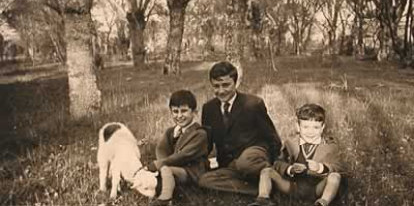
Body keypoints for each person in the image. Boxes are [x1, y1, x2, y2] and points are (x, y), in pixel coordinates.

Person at [199, 61, 282, 195]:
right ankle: (259, 188)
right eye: (216, 86)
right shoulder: (209, 108)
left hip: (254, 157)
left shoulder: (253, 104)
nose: (221, 90)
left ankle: (270, 175)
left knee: (245, 162)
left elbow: (272, 137)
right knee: (205, 180)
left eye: (226, 85)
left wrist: (276, 162)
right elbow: (206, 143)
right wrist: (199, 161)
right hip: (230, 164)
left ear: (235, 83)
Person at [248, 104, 348, 206]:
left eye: (316, 127)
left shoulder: (329, 147)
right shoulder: (291, 144)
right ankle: (263, 200)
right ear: (298, 126)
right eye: (305, 127)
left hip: (316, 188)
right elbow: (278, 163)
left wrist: (320, 168)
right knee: (266, 171)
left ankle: (323, 202)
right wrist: (290, 169)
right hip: (291, 186)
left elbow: (339, 168)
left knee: (335, 176)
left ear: (322, 127)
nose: (310, 132)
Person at [146, 90, 209, 206]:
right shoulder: (171, 132)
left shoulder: (199, 134)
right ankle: (160, 190)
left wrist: (161, 165)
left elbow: (185, 155)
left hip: (192, 171)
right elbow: (161, 148)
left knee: (166, 170)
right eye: (175, 111)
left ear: (194, 112)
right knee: (159, 172)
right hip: (171, 168)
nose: (179, 116)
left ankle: (165, 199)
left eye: (184, 111)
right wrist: (161, 164)